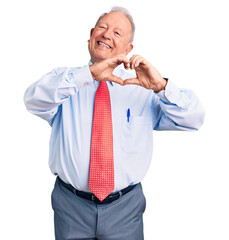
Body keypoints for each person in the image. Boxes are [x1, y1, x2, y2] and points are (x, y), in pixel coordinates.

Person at [24, 6, 205, 240]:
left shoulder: (142, 88)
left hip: (125, 207)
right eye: (102, 27)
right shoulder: (65, 82)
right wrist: (87, 75)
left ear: (128, 49)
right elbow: (32, 100)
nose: (107, 34)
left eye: (117, 33)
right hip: (70, 206)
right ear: (91, 35)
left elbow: (194, 118)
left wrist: (161, 86)